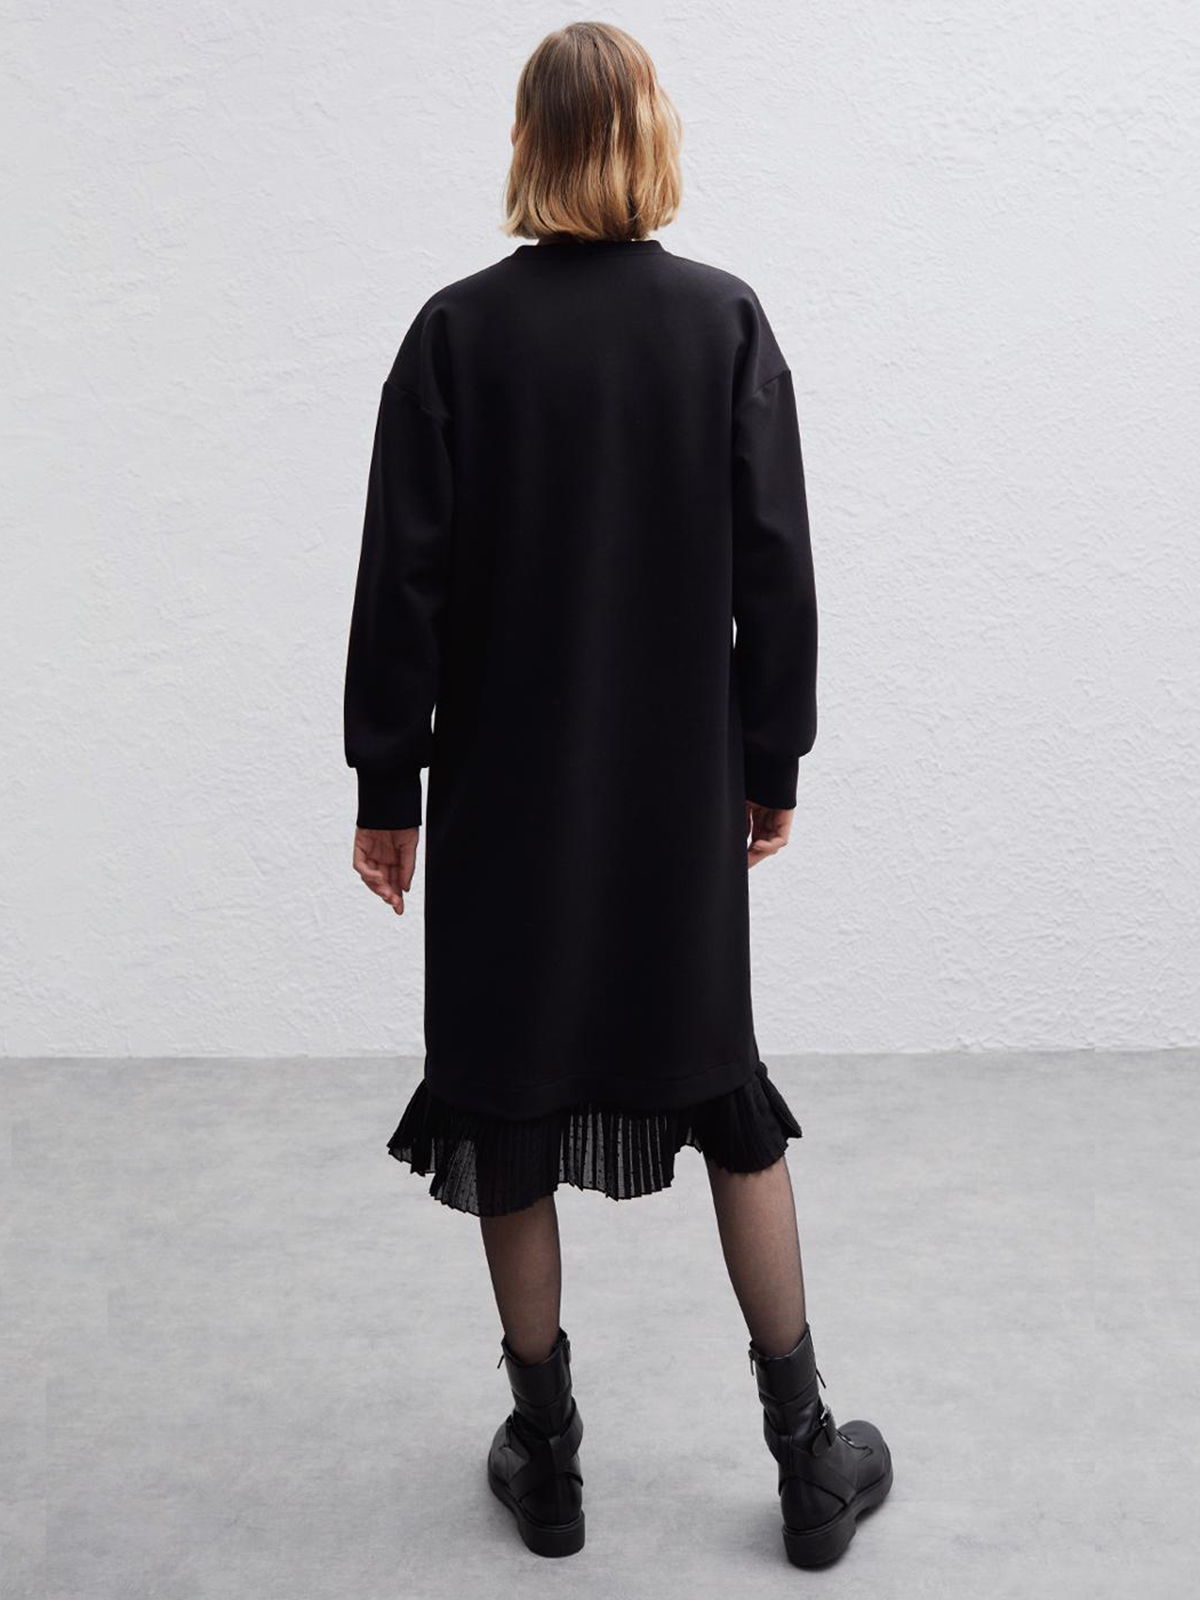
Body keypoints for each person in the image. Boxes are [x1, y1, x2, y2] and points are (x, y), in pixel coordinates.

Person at [343, 20, 892, 1569]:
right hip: (669, 805)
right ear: (650, 142)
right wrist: (770, 760)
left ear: (528, 146)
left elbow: (400, 586)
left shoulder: (454, 337)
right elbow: (777, 570)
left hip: (507, 807)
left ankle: (550, 1458)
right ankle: (806, 1459)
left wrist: (389, 788)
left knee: (506, 1104)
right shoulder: (722, 324)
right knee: (727, 1095)